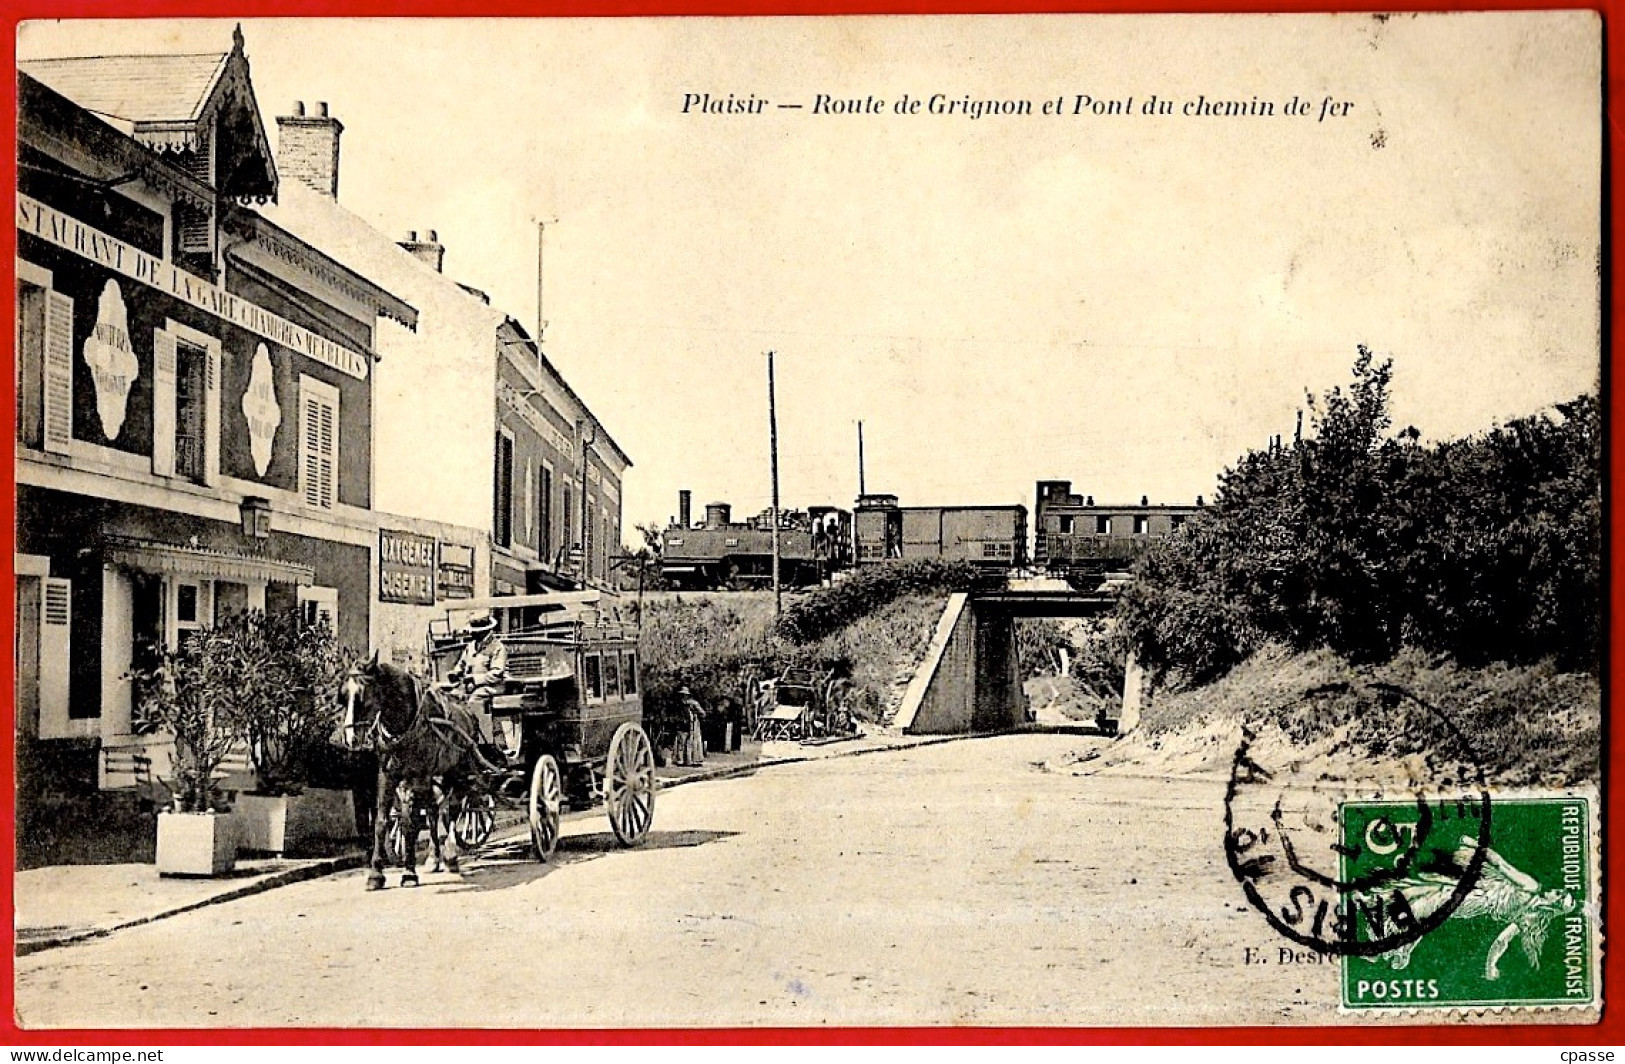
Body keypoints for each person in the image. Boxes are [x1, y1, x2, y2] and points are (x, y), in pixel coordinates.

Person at [449, 615, 512, 757]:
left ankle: (484, 742)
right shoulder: (470, 647)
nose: (471, 633)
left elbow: (497, 673)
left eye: (475, 631)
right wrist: (455, 673)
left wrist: (475, 679)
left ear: (485, 631)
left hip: (492, 687)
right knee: (451, 699)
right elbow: (461, 665)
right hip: (470, 686)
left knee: (475, 701)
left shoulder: (498, 648)